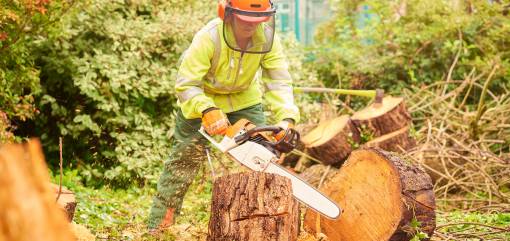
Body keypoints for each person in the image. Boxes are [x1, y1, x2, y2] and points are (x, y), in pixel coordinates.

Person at [147, 0, 300, 231]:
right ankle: (159, 225)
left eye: (257, 21)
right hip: (202, 100)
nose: (252, 26)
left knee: (263, 156)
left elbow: (278, 80)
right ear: (228, 14)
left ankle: (262, 224)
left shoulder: (267, 38)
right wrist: (206, 109)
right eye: (246, 20)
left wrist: (286, 118)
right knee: (183, 161)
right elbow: (186, 84)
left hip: (244, 99)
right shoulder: (209, 37)